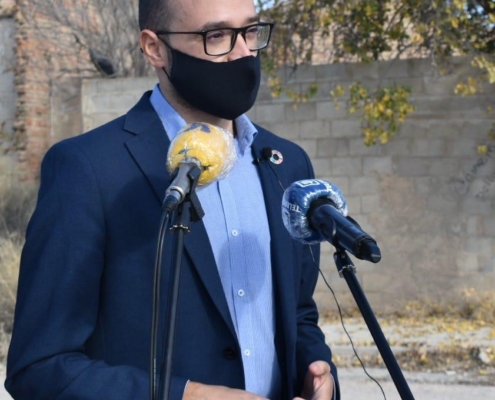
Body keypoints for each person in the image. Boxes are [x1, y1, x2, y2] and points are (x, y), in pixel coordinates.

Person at [5, 0, 340, 398]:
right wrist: (188, 395)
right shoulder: (88, 169)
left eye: (250, 31)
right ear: (155, 48)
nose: (244, 52)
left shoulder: (286, 163)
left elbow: (298, 314)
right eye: (216, 36)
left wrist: (316, 371)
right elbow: (40, 366)